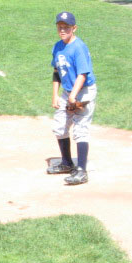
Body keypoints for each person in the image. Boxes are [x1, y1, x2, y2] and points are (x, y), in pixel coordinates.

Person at [47, 11, 97, 185]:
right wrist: (55, 95)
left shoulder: (79, 47)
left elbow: (83, 74)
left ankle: (81, 171)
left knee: (80, 129)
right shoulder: (57, 47)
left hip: (84, 91)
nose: (62, 30)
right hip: (68, 92)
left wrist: (74, 96)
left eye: (66, 27)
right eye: (60, 27)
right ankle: (67, 163)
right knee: (59, 126)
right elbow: (56, 72)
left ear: (74, 28)